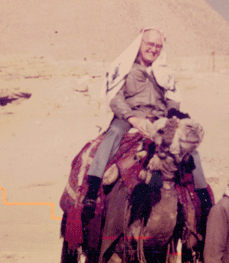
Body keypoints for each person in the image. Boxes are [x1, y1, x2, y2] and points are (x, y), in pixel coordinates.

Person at [82, 27, 210, 218]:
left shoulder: (163, 71)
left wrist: (173, 114)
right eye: (150, 44)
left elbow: (172, 97)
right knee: (115, 133)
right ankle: (92, 189)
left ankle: (203, 198)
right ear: (140, 43)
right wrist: (132, 119)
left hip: (160, 118)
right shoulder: (125, 67)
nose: (154, 49)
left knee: (190, 148)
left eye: (158, 46)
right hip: (130, 116)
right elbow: (115, 98)